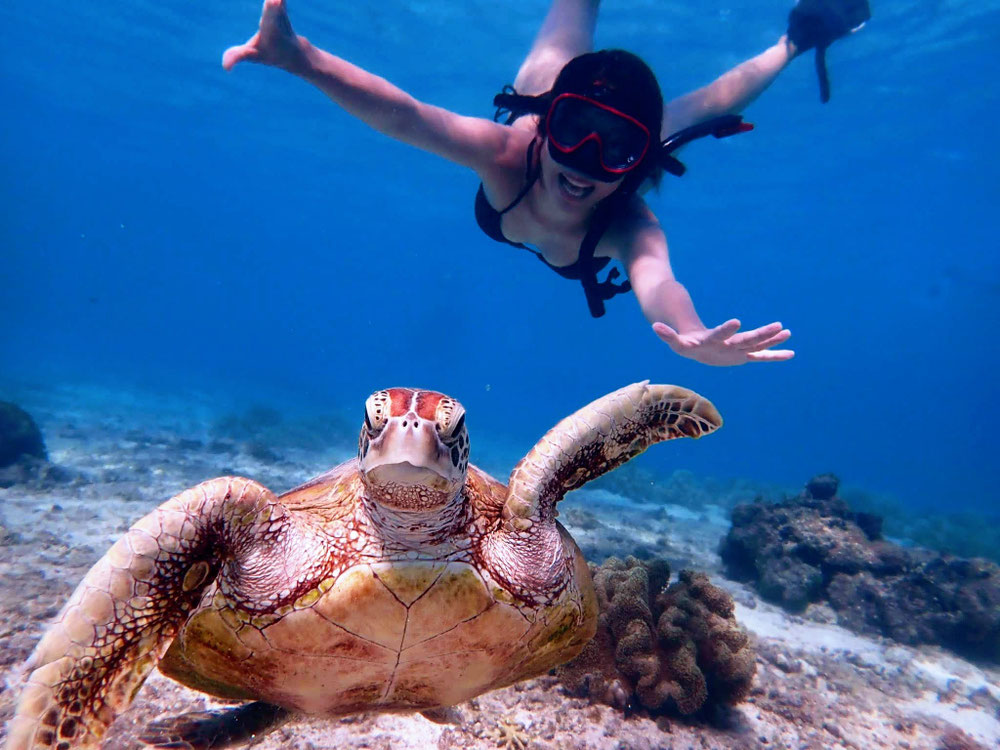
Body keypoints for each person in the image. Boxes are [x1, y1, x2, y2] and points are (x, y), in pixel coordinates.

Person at [223, 0, 869, 365]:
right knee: (570, 16)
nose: (585, 161)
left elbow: (660, 285)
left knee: (693, 112)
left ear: (636, 161)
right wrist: (299, 58)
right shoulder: (508, 153)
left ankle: (795, 39)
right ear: (550, 124)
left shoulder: (627, 222)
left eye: (613, 148)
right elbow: (407, 116)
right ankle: (576, 100)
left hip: (624, 127)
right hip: (548, 80)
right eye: (575, 130)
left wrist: (694, 336)